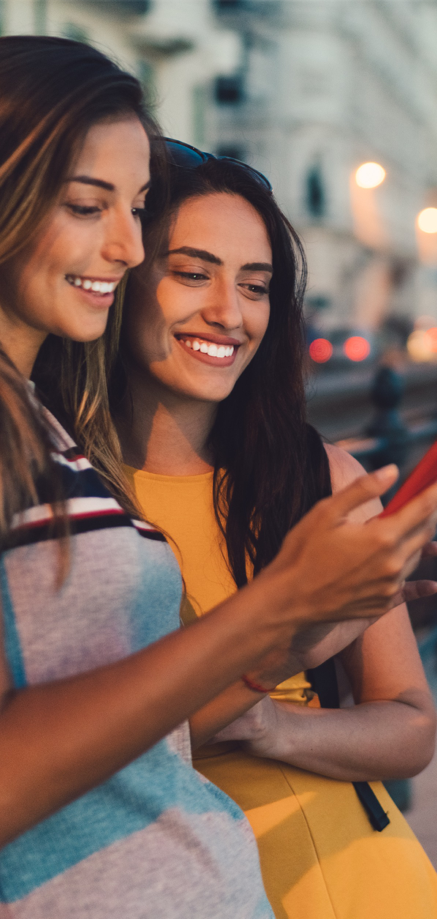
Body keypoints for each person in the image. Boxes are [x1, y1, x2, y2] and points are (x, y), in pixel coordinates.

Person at [113, 140, 437, 919]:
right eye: (192, 272)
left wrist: (273, 728)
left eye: (255, 286)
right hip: (178, 887)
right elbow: (74, 753)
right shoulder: (60, 483)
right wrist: (285, 648)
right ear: (118, 272)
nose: (230, 312)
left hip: (366, 877)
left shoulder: (316, 476)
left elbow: (411, 725)